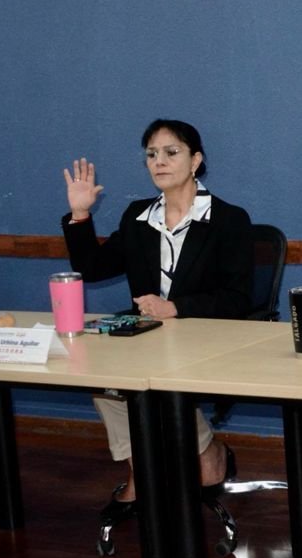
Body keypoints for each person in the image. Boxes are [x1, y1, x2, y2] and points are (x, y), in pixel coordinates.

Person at [62, 119, 254, 527]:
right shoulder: (138, 218)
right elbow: (91, 268)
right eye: (151, 154)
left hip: (207, 335)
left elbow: (239, 299)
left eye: (171, 152)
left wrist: (176, 307)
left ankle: (209, 454)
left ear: (195, 160)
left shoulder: (229, 219)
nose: (159, 161)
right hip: (148, 336)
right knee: (103, 376)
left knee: (158, 374)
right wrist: (80, 214)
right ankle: (141, 471)